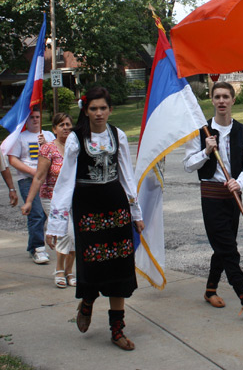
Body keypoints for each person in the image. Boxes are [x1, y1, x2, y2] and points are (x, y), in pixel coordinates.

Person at [45, 87, 144, 351]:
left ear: (110, 110)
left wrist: (136, 213)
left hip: (115, 205)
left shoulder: (118, 135)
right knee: (93, 263)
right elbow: (65, 182)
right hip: (87, 206)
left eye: (103, 108)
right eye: (93, 109)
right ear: (85, 110)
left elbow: (126, 175)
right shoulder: (76, 138)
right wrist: (55, 224)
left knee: (120, 266)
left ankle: (117, 329)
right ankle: (87, 300)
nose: (99, 113)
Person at [183, 81, 243, 319]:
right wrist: (206, 151)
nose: (221, 101)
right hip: (211, 196)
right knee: (229, 249)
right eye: (217, 96)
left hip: (233, 196)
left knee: (222, 247)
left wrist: (239, 182)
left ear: (232, 100)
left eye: (225, 97)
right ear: (212, 100)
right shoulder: (200, 132)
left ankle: (210, 290)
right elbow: (188, 165)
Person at [21, 113, 76, 289]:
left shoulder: (76, 147)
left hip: (73, 197)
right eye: (61, 125)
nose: (66, 128)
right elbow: (38, 177)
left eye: (68, 124)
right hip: (51, 197)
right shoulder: (48, 149)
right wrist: (29, 201)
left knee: (75, 236)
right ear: (54, 129)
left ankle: (69, 271)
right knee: (65, 232)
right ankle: (59, 271)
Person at [8, 106, 55, 263]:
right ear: (26, 120)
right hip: (28, 180)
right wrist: (33, 172)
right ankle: (37, 248)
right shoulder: (20, 137)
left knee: (48, 213)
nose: (35, 119)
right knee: (36, 213)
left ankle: (34, 245)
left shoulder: (48, 134)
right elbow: (13, 159)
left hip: (48, 179)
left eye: (37, 117)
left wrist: (46, 143)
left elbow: (57, 152)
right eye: (32, 117)